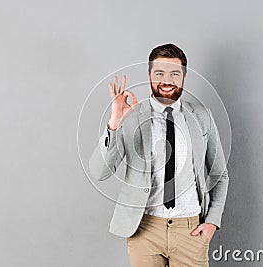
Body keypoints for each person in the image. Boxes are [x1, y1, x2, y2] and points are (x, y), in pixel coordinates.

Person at [89, 43, 229, 267]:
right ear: (149, 76)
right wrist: (114, 122)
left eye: (174, 73)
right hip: (144, 230)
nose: (167, 80)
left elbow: (219, 175)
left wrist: (212, 222)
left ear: (183, 77)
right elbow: (99, 172)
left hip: (190, 230)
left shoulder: (202, 116)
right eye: (159, 73)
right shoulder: (132, 117)